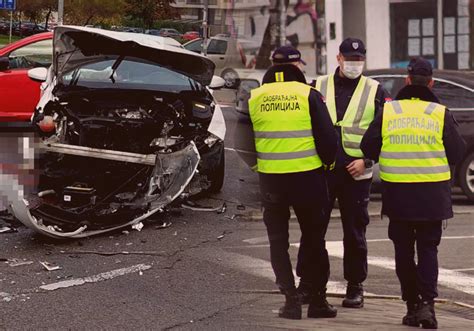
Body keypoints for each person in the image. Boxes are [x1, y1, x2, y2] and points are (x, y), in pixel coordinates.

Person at [361, 57, 465, 329]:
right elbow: (456, 152)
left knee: (404, 251)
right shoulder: (440, 113)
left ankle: (411, 306)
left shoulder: (389, 112)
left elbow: (367, 147)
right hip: (432, 197)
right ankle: (428, 308)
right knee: (428, 249)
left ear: (407, 80)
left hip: (399, 197)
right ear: (430, 82)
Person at [248, 45, 338, 319]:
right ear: (297, 67)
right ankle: (318, 301)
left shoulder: (254, 96)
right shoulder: (308, 95)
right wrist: (328, 164)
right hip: (308, 178)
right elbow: (328, 137)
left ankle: (290, 301)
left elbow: (242, 141)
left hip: (271, 181)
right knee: (314, 239)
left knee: (278, 242)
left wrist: (259, 166)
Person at [308, 38, 390, 308]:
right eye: (350, 59)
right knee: (313, 229)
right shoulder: (317, 85)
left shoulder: (376, 90)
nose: (355, 64)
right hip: (323, 170)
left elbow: (384, 130)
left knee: (354, 232)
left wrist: (368, 161)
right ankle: (309, 283)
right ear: (339, 59)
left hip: (356, 173)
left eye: (359, 60)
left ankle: (355, 287)